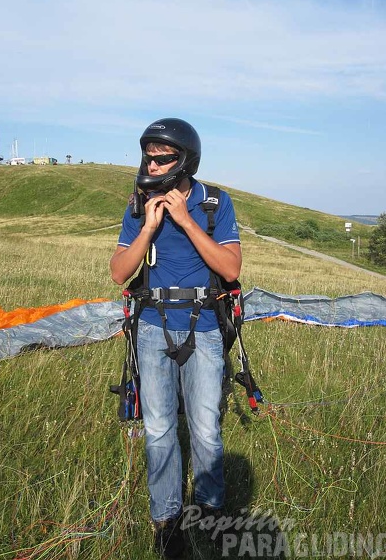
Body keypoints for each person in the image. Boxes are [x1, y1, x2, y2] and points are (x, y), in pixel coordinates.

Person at [110, 118, 241, 558]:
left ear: (184, 159)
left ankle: (212, 513)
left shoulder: (214, 202)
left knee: (205, 429)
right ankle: (167, 521)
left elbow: (230, 268)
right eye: (148, 155)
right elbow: (117, 273)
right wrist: (148, 227)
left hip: (203, 327)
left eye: (162, 156)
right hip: (151, 328)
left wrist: (186, 222)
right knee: (160, 428)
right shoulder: (137, 204)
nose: (153, 162)